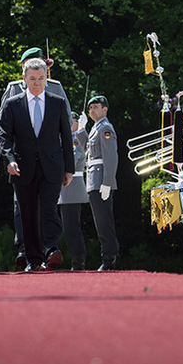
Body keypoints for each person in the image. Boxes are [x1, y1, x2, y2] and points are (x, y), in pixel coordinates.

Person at [0, 47, 73, 269]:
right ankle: (33, 259)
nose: (37, 83)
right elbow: (4, 134)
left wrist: (69, 169)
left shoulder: (57, 101)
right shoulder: (12, 102)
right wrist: (6, 159)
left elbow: (66, 135)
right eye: (33, 78)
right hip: (22, 167)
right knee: (27, 213)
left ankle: (51, 248)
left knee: (48, 208)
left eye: (41, 78)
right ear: (24, 79)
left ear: (47, 78)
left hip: (52, 166)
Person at [85, 95, 120, 271]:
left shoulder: (105, 127)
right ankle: (107, 256)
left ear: (105, 109)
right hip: (93, 180)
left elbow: (111, 157)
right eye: (90, 108)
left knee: (104, 221)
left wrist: (107, 182)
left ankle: (109, 257)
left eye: (96, 107)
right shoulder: (95, 128)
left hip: (100, 181)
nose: (92, 110)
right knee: (100, 222)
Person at [59, 111, 90, 270]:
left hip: (72, 188)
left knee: (72, 228)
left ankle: (78, 262)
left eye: (72, 122)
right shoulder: (64, 140)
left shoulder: (75, 141)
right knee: (66, 228)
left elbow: (72, 159)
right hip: (64, 189)